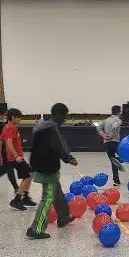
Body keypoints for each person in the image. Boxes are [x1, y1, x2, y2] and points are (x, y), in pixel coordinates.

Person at [27, 102, 78, 239]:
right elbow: (59, 146)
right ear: (59, 115)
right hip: (47, 168)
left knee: (57, 192)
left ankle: (63, 218)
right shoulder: (51, 130)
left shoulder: (41, 127)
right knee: (47, 198)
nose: (64, 120)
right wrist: (69, 158)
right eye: (64, 117)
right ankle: (36, 229)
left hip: (41, 165)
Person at [0, 108, 36, 211]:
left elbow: (0, 141)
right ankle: (17, 199)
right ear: (13, 117)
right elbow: (9, 142)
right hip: (16, 158)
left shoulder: (5, 127)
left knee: (29, 174)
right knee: (29, 175)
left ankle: (25, 197)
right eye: (19, 117)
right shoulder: (12, 127)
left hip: (12, 158)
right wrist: (16, 156)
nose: (20, 120)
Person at [96, 105, 126, 186]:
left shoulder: (106, 120)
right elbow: (114, 126)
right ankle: (117, 160)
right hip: (115, 142)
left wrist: (103, 135)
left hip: (107, 143)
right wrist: (111, 135)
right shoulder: (118, 120)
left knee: (113, 163)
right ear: (119, 112)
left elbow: (98, 127)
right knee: (125, 156)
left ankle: (116, 181)